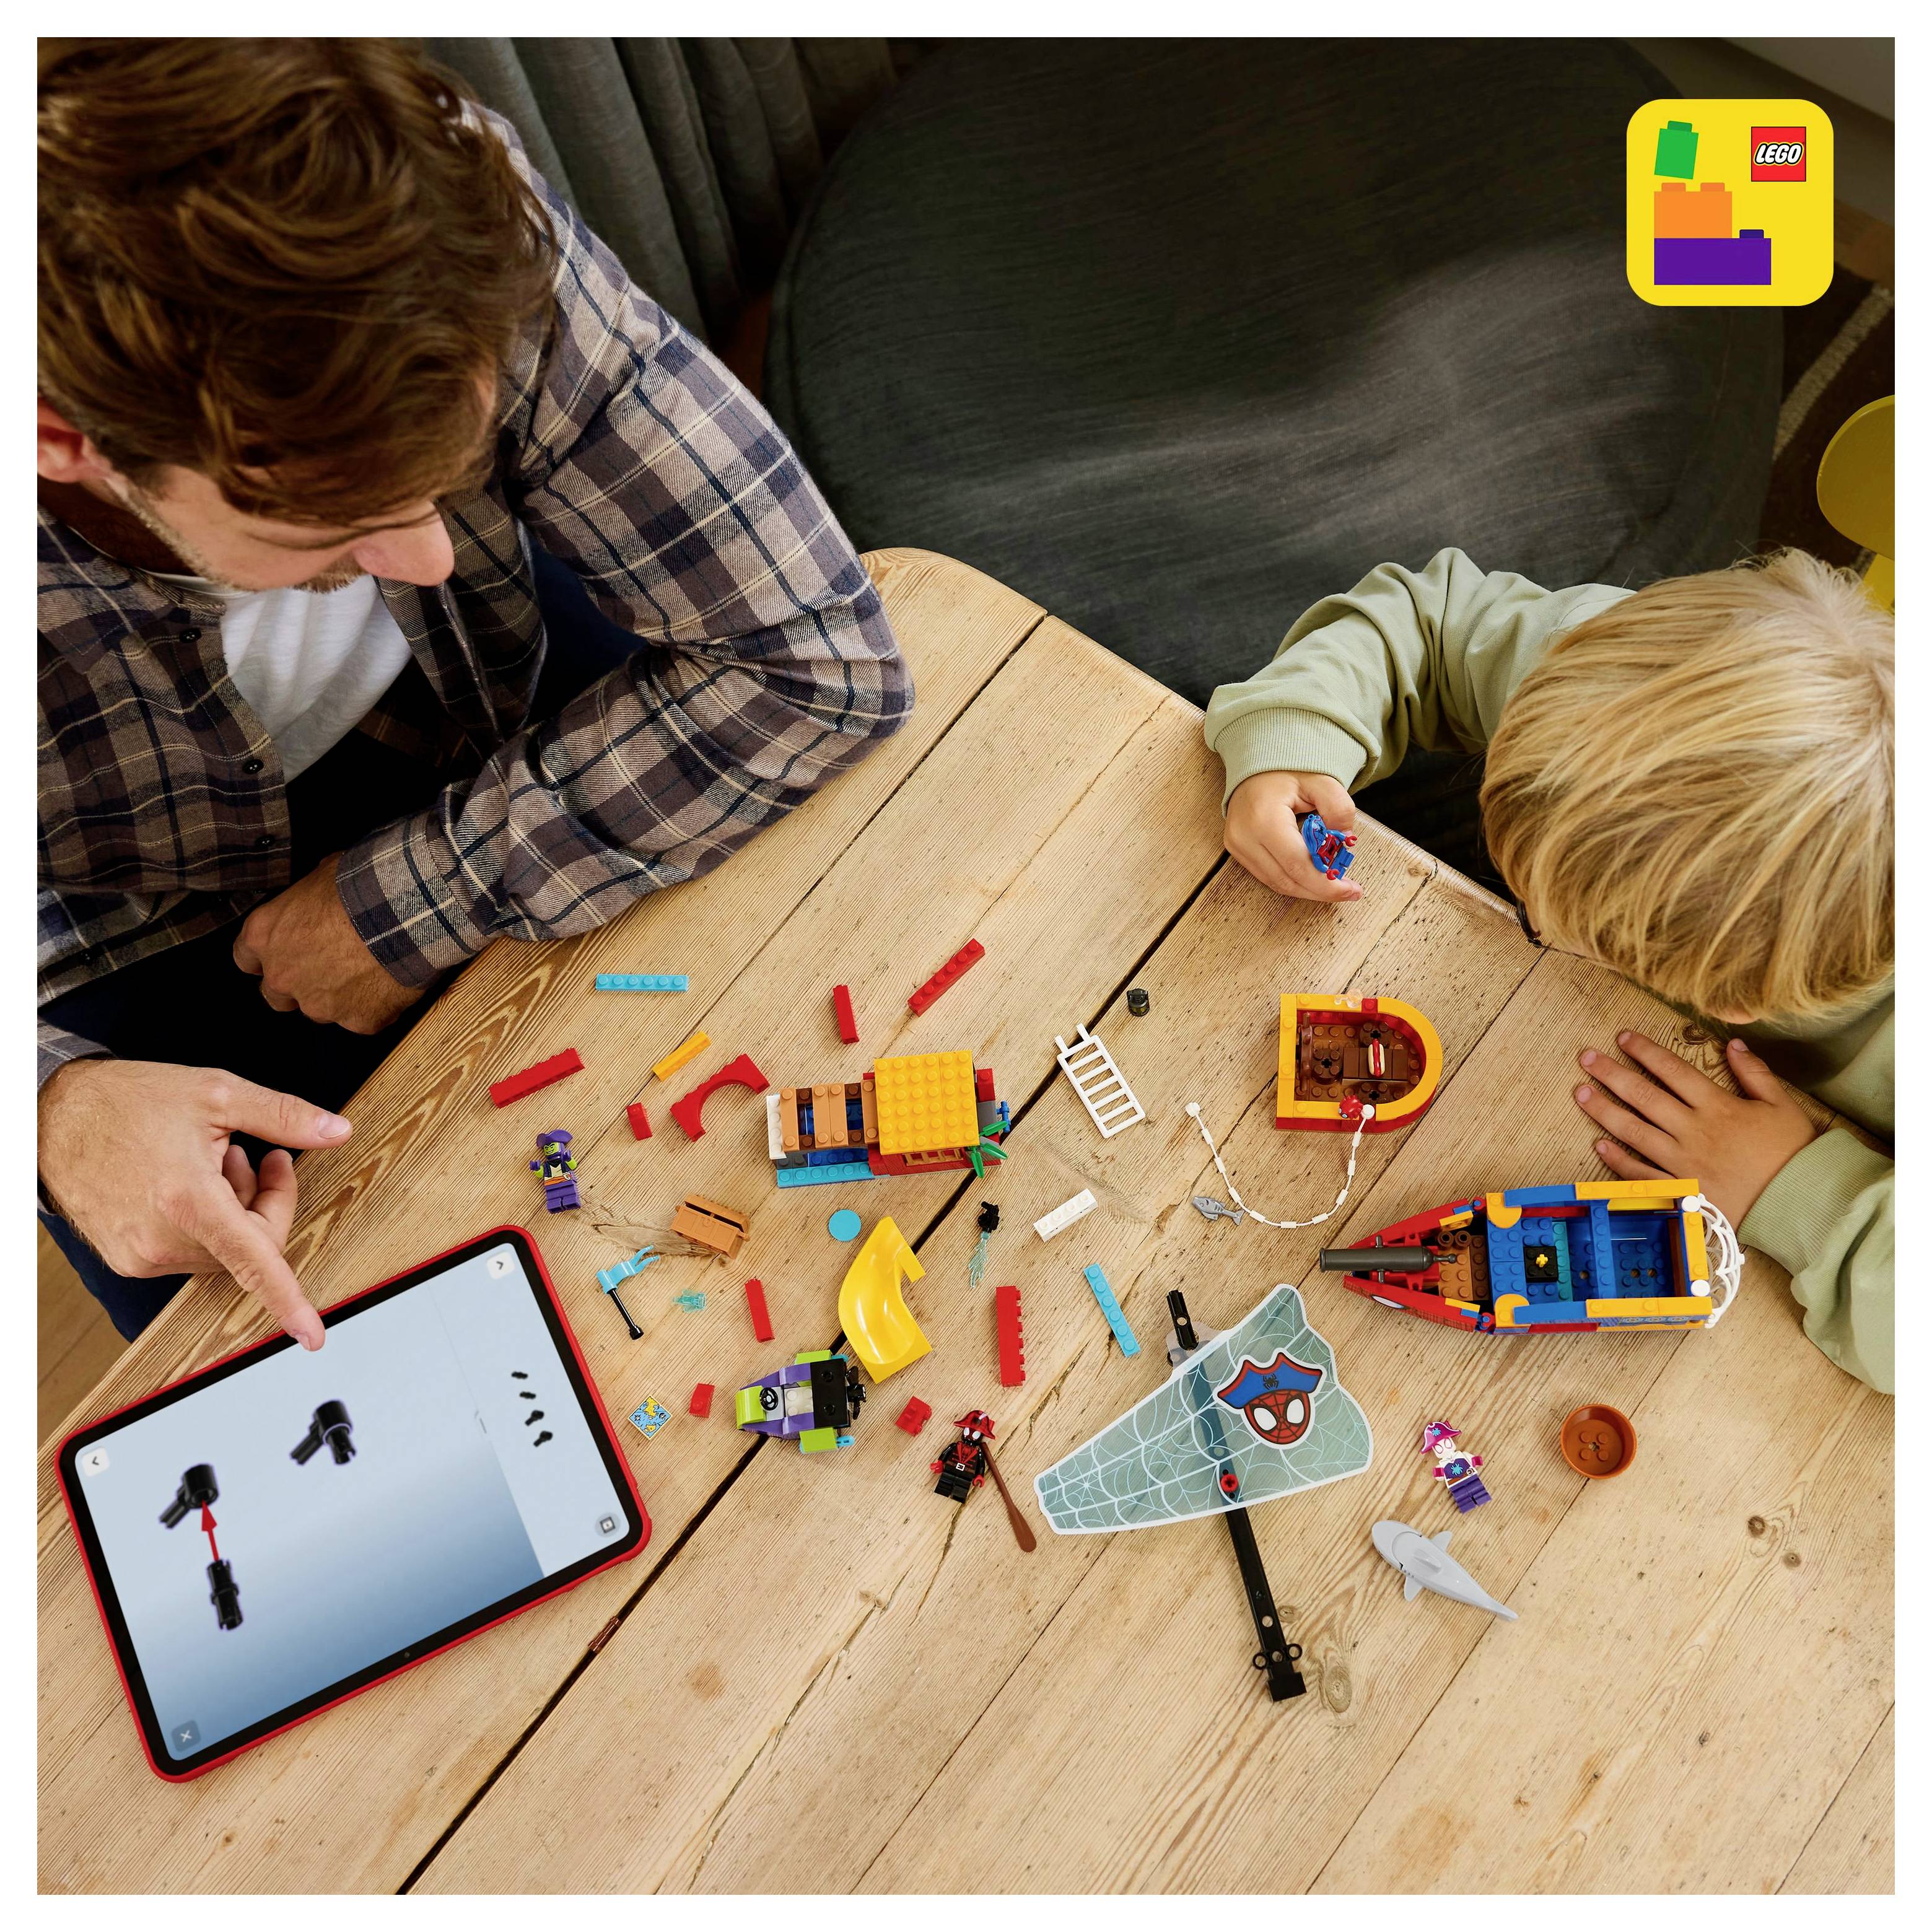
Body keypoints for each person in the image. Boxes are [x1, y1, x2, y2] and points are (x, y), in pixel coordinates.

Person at [37, 40, 911, 1349]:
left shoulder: (419, 205)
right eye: (340, 520)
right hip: (115, 943)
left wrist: (416, 901)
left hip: (486, 697)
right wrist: (49, 1113)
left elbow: (815, 658)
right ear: (61, 438)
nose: (437, 552)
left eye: (444, 474)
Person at [1206, 547, 1893, 1391]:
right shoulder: (1612, 686)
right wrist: (1293, 733)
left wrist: (1805, 1199)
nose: (1536, 922)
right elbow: (1426, 625)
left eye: (1581, 929)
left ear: (1739, 1001)